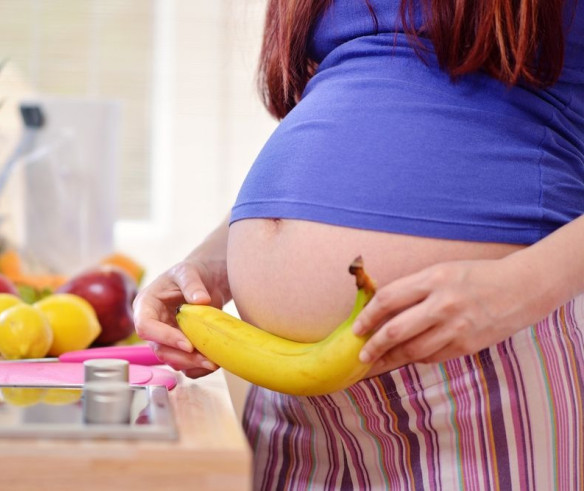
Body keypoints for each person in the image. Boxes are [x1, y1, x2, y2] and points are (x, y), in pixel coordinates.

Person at [134, 0, 584, 489]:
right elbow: (354, 112)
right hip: (291, 397)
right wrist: (214, 259)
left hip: (475, 368)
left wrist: (521, 287)